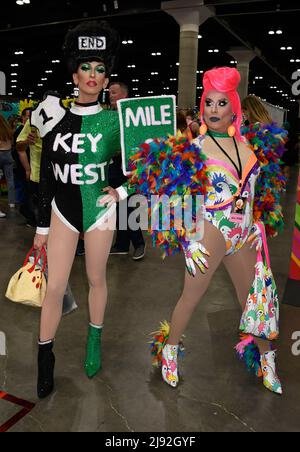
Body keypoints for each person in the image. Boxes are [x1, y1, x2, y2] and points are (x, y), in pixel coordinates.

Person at [131, 67, 283, 395]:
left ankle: (268, 362)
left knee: (252, 301)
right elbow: (172, 193)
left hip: (244, 234)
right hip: (211, 229)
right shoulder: (195, 146)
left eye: (221, 103)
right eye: (209, 103)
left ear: (233, 108)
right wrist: (189, 238)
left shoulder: (250, 145)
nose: (213, 110)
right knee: (192, 296)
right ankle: (169, 352)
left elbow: (259, 191)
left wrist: (259, 222)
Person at [31, 20, 129, 399]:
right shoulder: (52, 114)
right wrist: (41, 227)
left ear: (107, 79)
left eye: (100, 69)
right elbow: (46, 177)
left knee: (96, 279)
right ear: (74, 73)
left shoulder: (116, 120)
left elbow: (147, 166)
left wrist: (121, 191)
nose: (92, 75)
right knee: (54, 286)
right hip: (62, 208)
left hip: (100, 209)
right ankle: (45, 357)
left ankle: (94, 340)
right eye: (86, 67)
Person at [108, 81, 146, 260]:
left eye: (114, 92)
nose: (110, 95)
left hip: (131, 169)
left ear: (124, 95)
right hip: (114, 167)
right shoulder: (111, 116)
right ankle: (121, 244)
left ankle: (139, 244)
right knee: (118, 206)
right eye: (109, 92)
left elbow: (140, 143)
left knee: (129, 206)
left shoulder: (133, 117)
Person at [242, 95, 288, 237]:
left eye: (243, 111)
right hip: (268, 184)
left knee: (248, 228)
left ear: (247, 111)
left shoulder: (250, 132)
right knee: (260, 228)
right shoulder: (273, 133)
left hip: (252, 183)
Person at [16, 110, 43, 227]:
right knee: (35, 207)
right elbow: (19, 148)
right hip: (36, 175)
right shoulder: (32, 122)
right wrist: (27, 169)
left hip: (58, 176)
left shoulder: (65, 118)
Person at [0, 115, 16, 217]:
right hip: (8, 154)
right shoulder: (8, 129)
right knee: (10, 180)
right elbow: (12, 143)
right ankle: (11, 202)